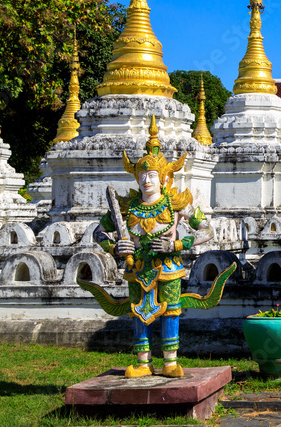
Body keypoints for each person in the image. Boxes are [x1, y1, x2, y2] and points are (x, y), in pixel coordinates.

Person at [90, 116, 217, 378]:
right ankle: (143, 362)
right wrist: (115, 247)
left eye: (152, 175)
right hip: (136, 266)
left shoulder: (177, 204)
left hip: (168, 266)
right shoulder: (127, 207)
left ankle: (170, 362)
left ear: (163, 177)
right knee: (139, 312)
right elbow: (98, 232)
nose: (147, 180)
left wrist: (177, 244)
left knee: (171, 311)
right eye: (142, 175)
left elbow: (207, 231)